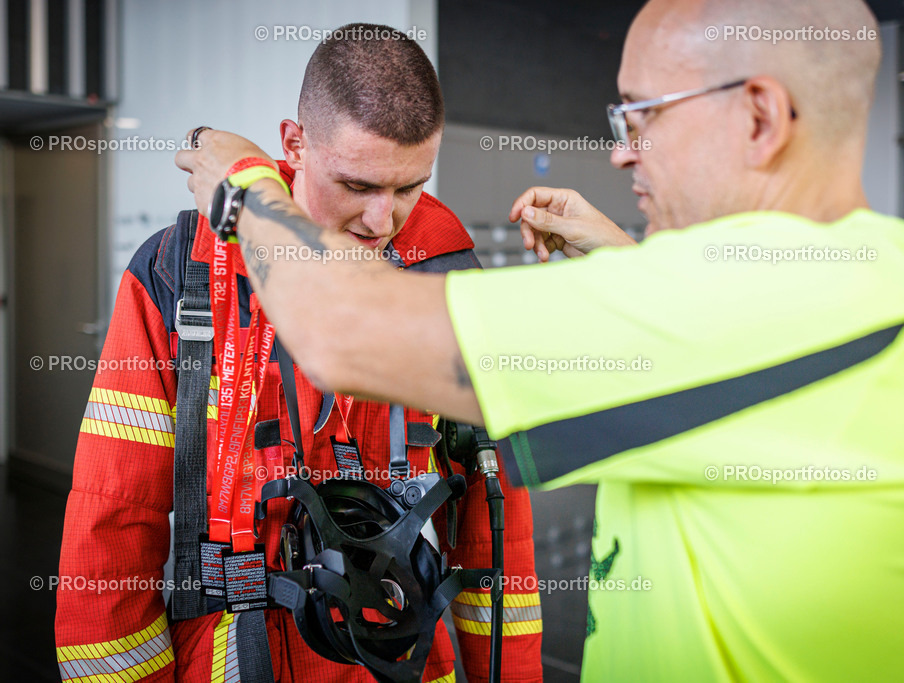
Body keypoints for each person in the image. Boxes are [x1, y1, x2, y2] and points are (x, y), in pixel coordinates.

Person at [179, 0, 904, 680]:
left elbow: (337, 330)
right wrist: (627, 262)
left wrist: (245, 185)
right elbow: (736, 361)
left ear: (759, 115)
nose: (620, 149)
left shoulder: (742, 306)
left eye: (641, 114)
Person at [56, 24, 543, 683]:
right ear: (294, 143)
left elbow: (495, 527)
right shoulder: (182, 271)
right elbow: (113, 517)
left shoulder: (447, 269)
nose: (384, 220)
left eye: (408, 188)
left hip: (400, 655)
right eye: (359, 185)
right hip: (238, 655)